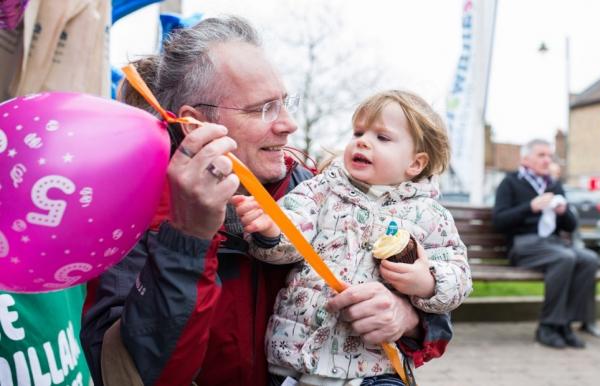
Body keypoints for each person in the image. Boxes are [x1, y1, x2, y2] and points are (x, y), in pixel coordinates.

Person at [81, 16, 453, 386]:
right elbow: (126, 370)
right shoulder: (134, 215)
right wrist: (187, 237)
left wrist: (408, 318)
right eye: (263, 108)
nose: (288, 123)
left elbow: (434, 295)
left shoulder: (317, 192)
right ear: (196, 125)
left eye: (285, 102)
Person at [233, 90, 472, 385]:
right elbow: (292, 231)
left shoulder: (430, 215)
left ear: (415, 164)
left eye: (382, 137)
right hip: (294, 357)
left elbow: (459, 275)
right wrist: (271, 231)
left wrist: (428, 282)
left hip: (373, 366)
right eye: (358, 131)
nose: (362, 141)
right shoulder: (321, 190)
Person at [492, 139, 600, 349]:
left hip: (552, 243)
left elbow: (571, 225)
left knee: (589, 259)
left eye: (549, 156)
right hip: (523, 245)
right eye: (541, 155)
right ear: (526, 159)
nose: (547, 160)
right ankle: (548, 326)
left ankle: (566, 324)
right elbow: (500, 221)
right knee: (564, 258)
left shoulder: (553, 185)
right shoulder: (511, 182)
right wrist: (530, 207)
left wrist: (564, 212)